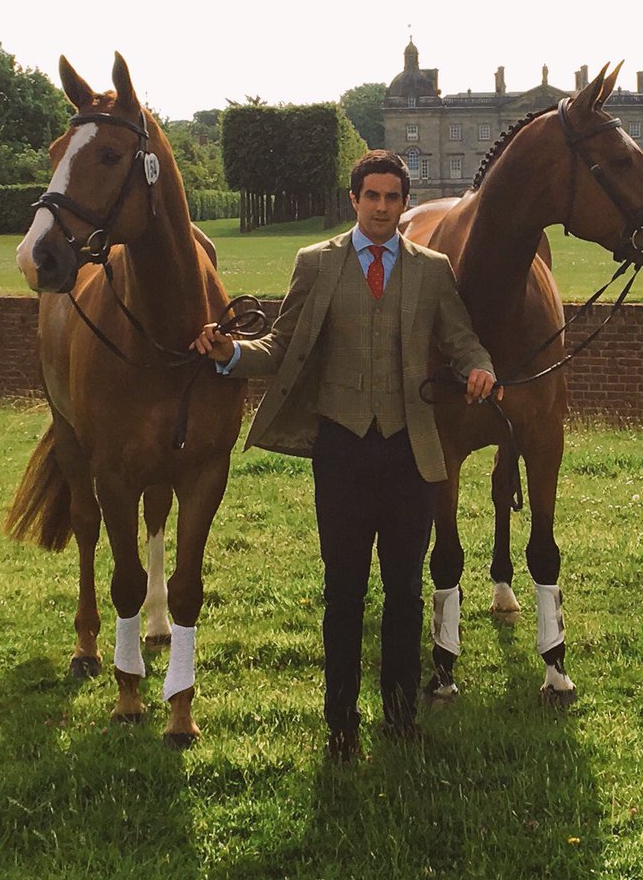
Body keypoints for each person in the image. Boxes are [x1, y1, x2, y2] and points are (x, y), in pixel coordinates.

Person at [192, 150, 498, 763]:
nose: (382, 207)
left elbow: (460, 340)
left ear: (404, 202)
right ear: (353, 200)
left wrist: (480, 368)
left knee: (404, 592)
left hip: (412, 452)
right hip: (342, 451)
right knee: (344, 592)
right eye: (372, 196)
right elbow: (281, 346)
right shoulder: (317, 263)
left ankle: (401, 716)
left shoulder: (432, 270)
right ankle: (340, 726)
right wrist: (230, 355)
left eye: (393, 197)